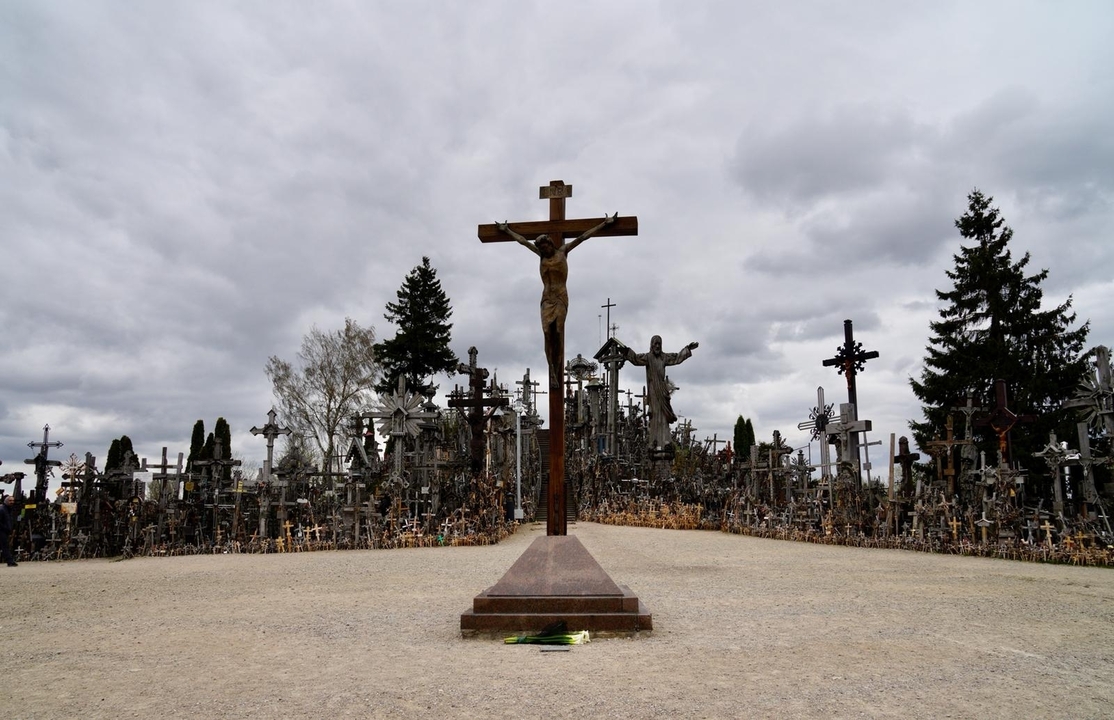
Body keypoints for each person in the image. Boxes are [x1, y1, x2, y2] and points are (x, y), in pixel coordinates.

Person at [497, 213, 617, 389]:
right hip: (547, 299)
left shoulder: (563, 251)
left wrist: (604, 224)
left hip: (560, 297)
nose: (544, 250)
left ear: (551, 244)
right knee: (547, 333)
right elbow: (522, 241)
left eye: (546, 246)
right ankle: (552, 371)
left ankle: (557, 368)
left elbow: (583, 237)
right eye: (542, 248)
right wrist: (507, 230)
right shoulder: (541, 256)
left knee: (558, 331)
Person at [622, 335, 698, 452]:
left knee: (663, 417)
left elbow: (677, 358)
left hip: (662, 391)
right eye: (655, 344)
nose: (657, 346)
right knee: (655, 415)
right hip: (653, 391)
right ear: (651, 345)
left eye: (659, 344)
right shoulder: (648, 357)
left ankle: (665, 441)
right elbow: (636, 359)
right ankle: (654, 441)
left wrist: (687, 349)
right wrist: (626, 351)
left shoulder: (664, 357)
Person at [0, 494, 17, 566]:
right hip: (1, 530)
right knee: (5, 546)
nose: (12, 502)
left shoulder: (9, 510)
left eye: (13, 500)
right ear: (6, 501)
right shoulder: (2, 509)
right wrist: (5, 528)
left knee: (4, 546)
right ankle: (10, 561)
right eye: (10, 500)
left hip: (5, 531)